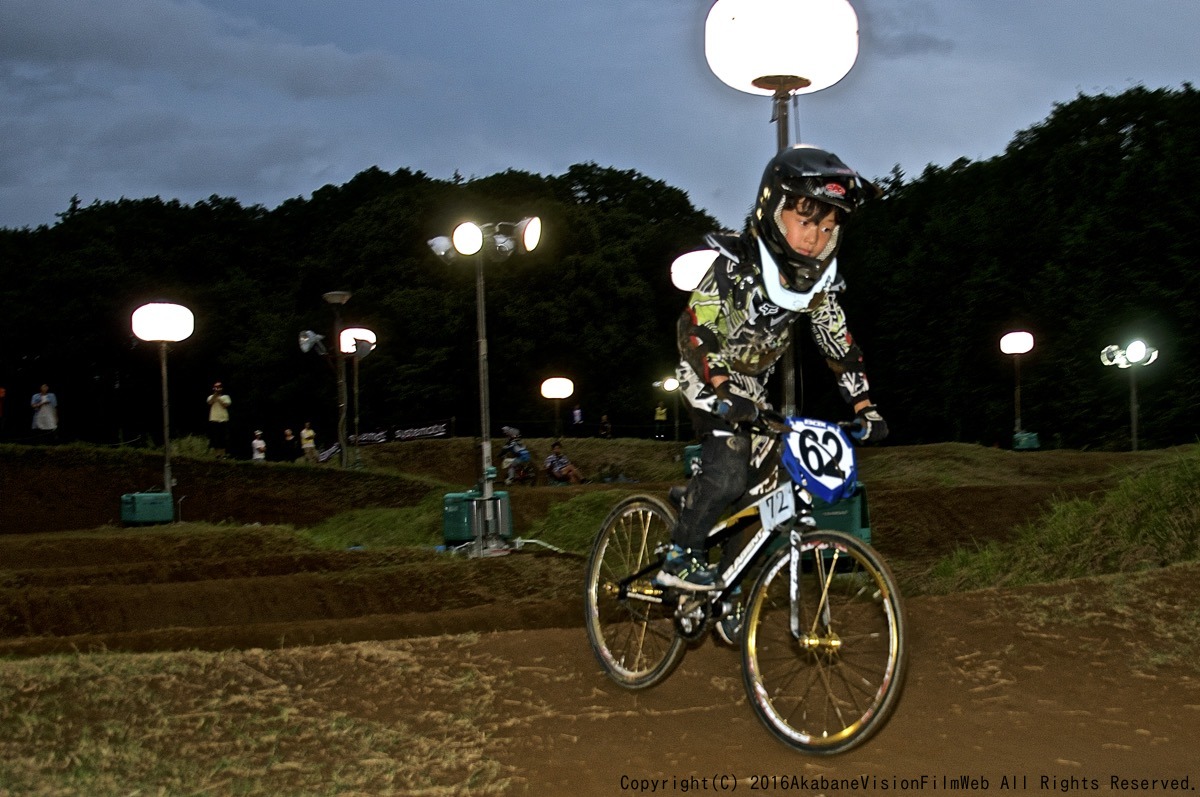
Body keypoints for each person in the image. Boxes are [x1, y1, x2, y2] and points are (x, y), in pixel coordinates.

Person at [659, 146, 889, 640]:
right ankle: (680, 554)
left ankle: (726, 586)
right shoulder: (737, 263)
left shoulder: (818, 284)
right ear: (771, 211)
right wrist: (721, 387)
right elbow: (699, 325)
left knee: (765, 494)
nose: (816, 238)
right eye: (806, 222)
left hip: (751, 385)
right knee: (727, 466)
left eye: (829, 228)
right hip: (707, 372)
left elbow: (837, 340)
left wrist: (864, 404)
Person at [206, 382, 232, 458]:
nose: (217, 389)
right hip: (214, 419)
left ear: (222, 388)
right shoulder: (211, 396)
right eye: (216, 387)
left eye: (219, 387)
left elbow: (225, 405)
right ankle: (217, 454)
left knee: (223, 438)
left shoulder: (226, 397)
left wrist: (218, 397)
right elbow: (210, 402)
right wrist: (215, 394)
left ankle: (223, 454)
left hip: (223, 420)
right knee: (215, 438)